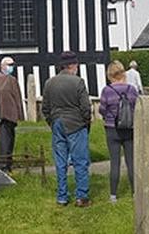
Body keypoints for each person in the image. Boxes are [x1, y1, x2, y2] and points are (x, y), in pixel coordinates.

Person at [42, 51, 92, 207]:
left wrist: (53, 122)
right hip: (76, 124)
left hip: (57, 123)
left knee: (60, 161)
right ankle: (81, 196)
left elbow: (45, 108)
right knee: (80, 161)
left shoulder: (49, 83)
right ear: (72, 65)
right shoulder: (78, 82)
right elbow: (85, 107)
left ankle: (62, 196)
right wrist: (86, 122)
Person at [99, 61, 138, 203]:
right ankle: (135, 192)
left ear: (110, 74)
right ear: (123, 73)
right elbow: (136, 107)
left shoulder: (107, 90)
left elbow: (102, 109)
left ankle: (113, 195)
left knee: (114, 162)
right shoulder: (132, 90)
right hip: (129, 129)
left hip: (112, 128)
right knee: (131, 162)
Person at [0, 56, 24, 173]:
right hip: (1, 114)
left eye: (12, 65)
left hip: (11, 115)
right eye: (9, 65)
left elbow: (17, 97)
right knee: (4, 140)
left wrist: (19, 113)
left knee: (10, 139)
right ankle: (3, 164)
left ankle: (8, 162)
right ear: (2, 66)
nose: (11, 67)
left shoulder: (12, 80)